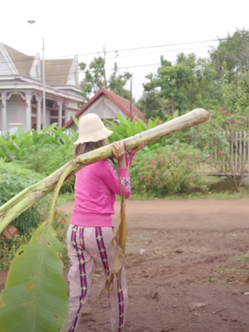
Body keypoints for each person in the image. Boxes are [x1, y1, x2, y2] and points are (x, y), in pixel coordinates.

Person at [65, 113, 145, 332]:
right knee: (117, 285)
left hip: (75, 232)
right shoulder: (101, 164)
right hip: (97, 233)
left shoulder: (79, 163)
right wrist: (122, 162)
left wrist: (127, 158)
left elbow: (114, 179)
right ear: (101, 139)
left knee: (77, 291)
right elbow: (125, 190)